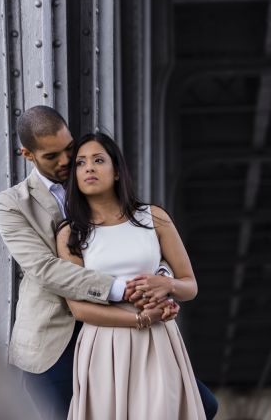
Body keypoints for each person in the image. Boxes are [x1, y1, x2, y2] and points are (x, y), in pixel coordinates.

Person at [0, 106, 217, 420]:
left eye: (70, 150)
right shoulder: (13, 203)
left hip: (127, 327)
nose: (67, 162)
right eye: (51, 156)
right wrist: (124, 289)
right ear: (28, 155)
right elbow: (45, 269)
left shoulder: (142, 213)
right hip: (56, 336)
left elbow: (140, 243)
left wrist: (161, 280)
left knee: (201, 404)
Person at [57, 131, 205, 419]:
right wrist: (138, 319)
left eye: (98, 160)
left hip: (157, 340)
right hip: (103, 344)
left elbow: (190, 286)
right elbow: (78, 308)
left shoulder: (154, 217)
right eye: (80, 163)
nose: (88, 168)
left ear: (115, 171)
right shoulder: (70, 233)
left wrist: (167, 284)